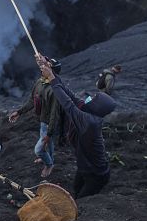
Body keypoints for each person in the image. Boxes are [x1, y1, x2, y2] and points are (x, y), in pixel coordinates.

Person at [44, 56, 115, 199]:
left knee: (81, 200)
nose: (90, 98)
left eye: (94, 98)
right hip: (84, 167)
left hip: (97, 174)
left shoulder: (89, 121)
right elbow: (71, 95)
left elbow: (68, 103)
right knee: (76, 190)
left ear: (98, 106)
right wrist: (51, 72)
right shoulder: (89, 111)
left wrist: (51, 78)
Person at [8, 58, 62, 178]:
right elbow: (32, 100)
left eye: (46, 66)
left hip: (49, 123)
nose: (42, 67)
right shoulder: (40, 82)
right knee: (49, 143)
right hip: (42, 121)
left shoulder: (55, 90)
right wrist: (19, 112)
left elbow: (55, 113)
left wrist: (50, 132)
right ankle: (49, 157)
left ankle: (49, 164)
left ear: (52, 72)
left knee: (39, 150)